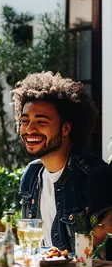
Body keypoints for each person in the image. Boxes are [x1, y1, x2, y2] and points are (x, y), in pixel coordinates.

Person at [12, 71, 112, 252]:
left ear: (66, 128)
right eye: (24, 121)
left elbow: (103, 251)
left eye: (41, 122)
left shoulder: (95, 177)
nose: (29, 129)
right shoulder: (31, 175)